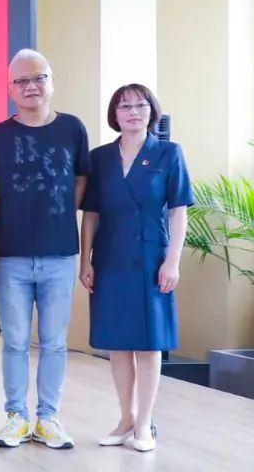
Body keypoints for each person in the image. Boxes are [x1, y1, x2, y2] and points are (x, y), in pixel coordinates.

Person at [0, 50, 88, 449]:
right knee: (14, 341)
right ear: (10, 89)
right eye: (21, 81)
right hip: (12, 256)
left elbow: (80, 180)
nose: (30, 87)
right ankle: (16, 418)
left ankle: (48, 418)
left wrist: (58, 214)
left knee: (55, 342)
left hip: (60, 254)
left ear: (51, 81)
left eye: (38, 78)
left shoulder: (73, 128)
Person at [79, 83, 193, 453]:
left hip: (151, 259)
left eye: (140, 105)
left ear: (151, 111)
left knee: (148, 342)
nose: (133, 112)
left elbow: (178, 213)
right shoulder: (100, 158)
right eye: (125, 106)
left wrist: (172, 262)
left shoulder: (169, 153)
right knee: (118, 342)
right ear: (114, 114)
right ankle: (125, 418)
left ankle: (144, 423)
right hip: (110, 259)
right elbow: (91, 214)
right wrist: (85, 260)